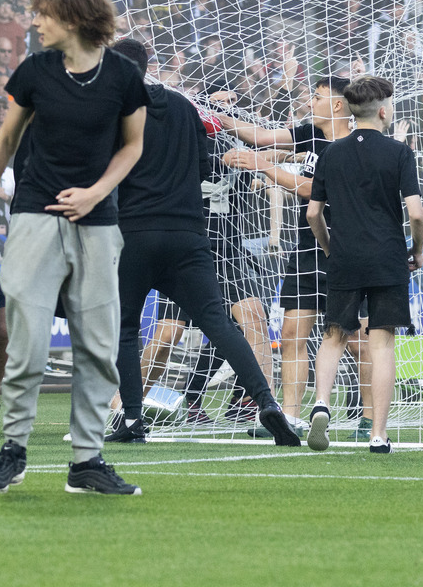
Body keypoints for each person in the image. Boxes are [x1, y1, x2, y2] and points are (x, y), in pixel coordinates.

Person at [0, 0, 149, 497]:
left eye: (42, 13)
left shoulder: (123, 76)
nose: (35, 21)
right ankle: (13, 449)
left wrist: (95, 192)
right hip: (33, 216)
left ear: (71, 18)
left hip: (98, 222)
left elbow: (132, 147)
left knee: (97, 345)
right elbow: (5, 140)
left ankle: (87, 461)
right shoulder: (35, 71)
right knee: (25, 340)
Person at [103, 38, 299, 447]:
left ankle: (132, 419)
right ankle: (266, 403)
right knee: (219, 321)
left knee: (126, 327)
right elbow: (203, 165)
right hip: (190, 236)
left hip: (135, 232)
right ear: (146, 65)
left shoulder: (111, 108)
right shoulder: (181, 107)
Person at [216, 76, 352, 421]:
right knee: (292, 333)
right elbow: (259, 136)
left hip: (350, 249)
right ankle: (290, 416)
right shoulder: (311, 133)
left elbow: (315, 189)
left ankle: (366, 418)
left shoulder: (354, 144)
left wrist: (265, 166)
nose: (310, 102)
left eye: (317, 97)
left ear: (337, 105)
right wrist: (213, 116)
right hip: (308, 247)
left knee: (358, 339)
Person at [304, 76, 423, 454]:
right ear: (385, 111)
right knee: (382, 345)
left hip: (344, 256)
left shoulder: (331, 153)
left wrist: (328, 247)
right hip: (387, 256)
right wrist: (417, 250)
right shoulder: (399, 152)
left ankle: (322, 401)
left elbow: (313, 213)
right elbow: (417, 214)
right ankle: (378, 433)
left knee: (334, 335)